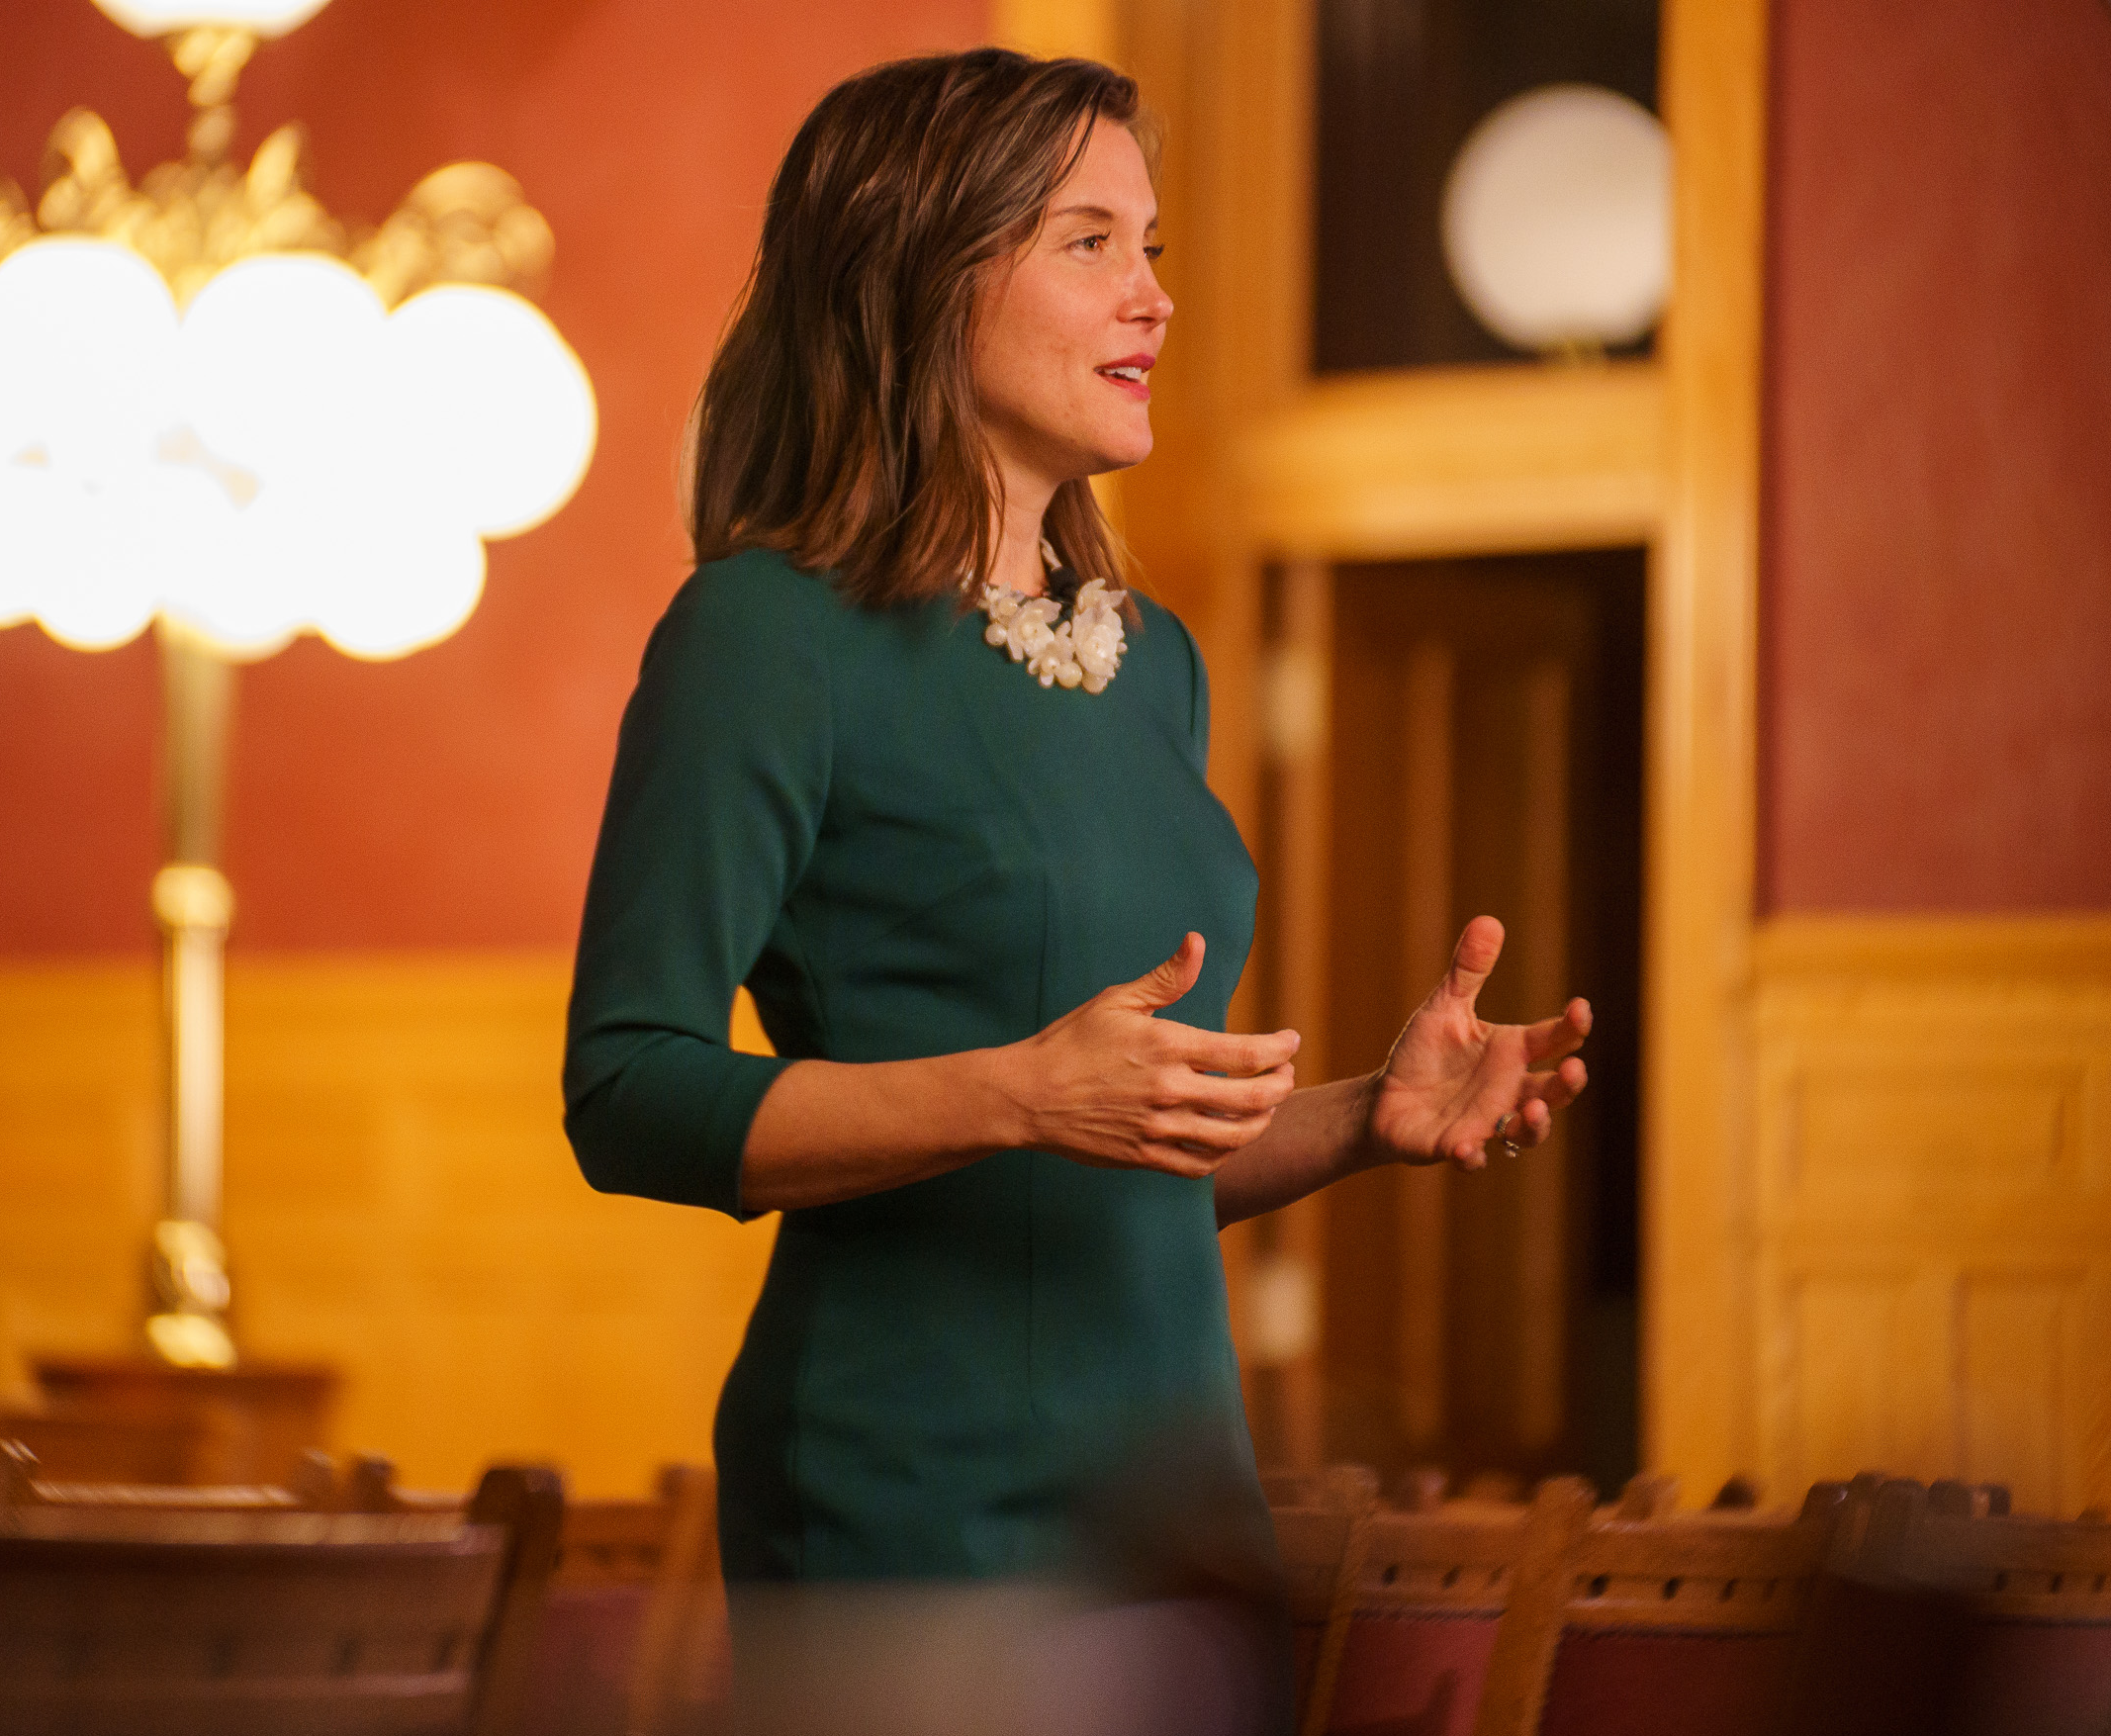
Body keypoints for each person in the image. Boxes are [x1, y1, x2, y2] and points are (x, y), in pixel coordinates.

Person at [563, 49, 1590, 1592]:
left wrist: (1360, 1119)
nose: (1154, 298)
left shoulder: (1153, 663)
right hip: (906, 1498)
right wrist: (1018, 1094)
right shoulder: (764, 637)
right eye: (1088, 241)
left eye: (1153, 245)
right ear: (917, 278)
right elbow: (627, 1092)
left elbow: (1121, 1151)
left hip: (1176, 1507)